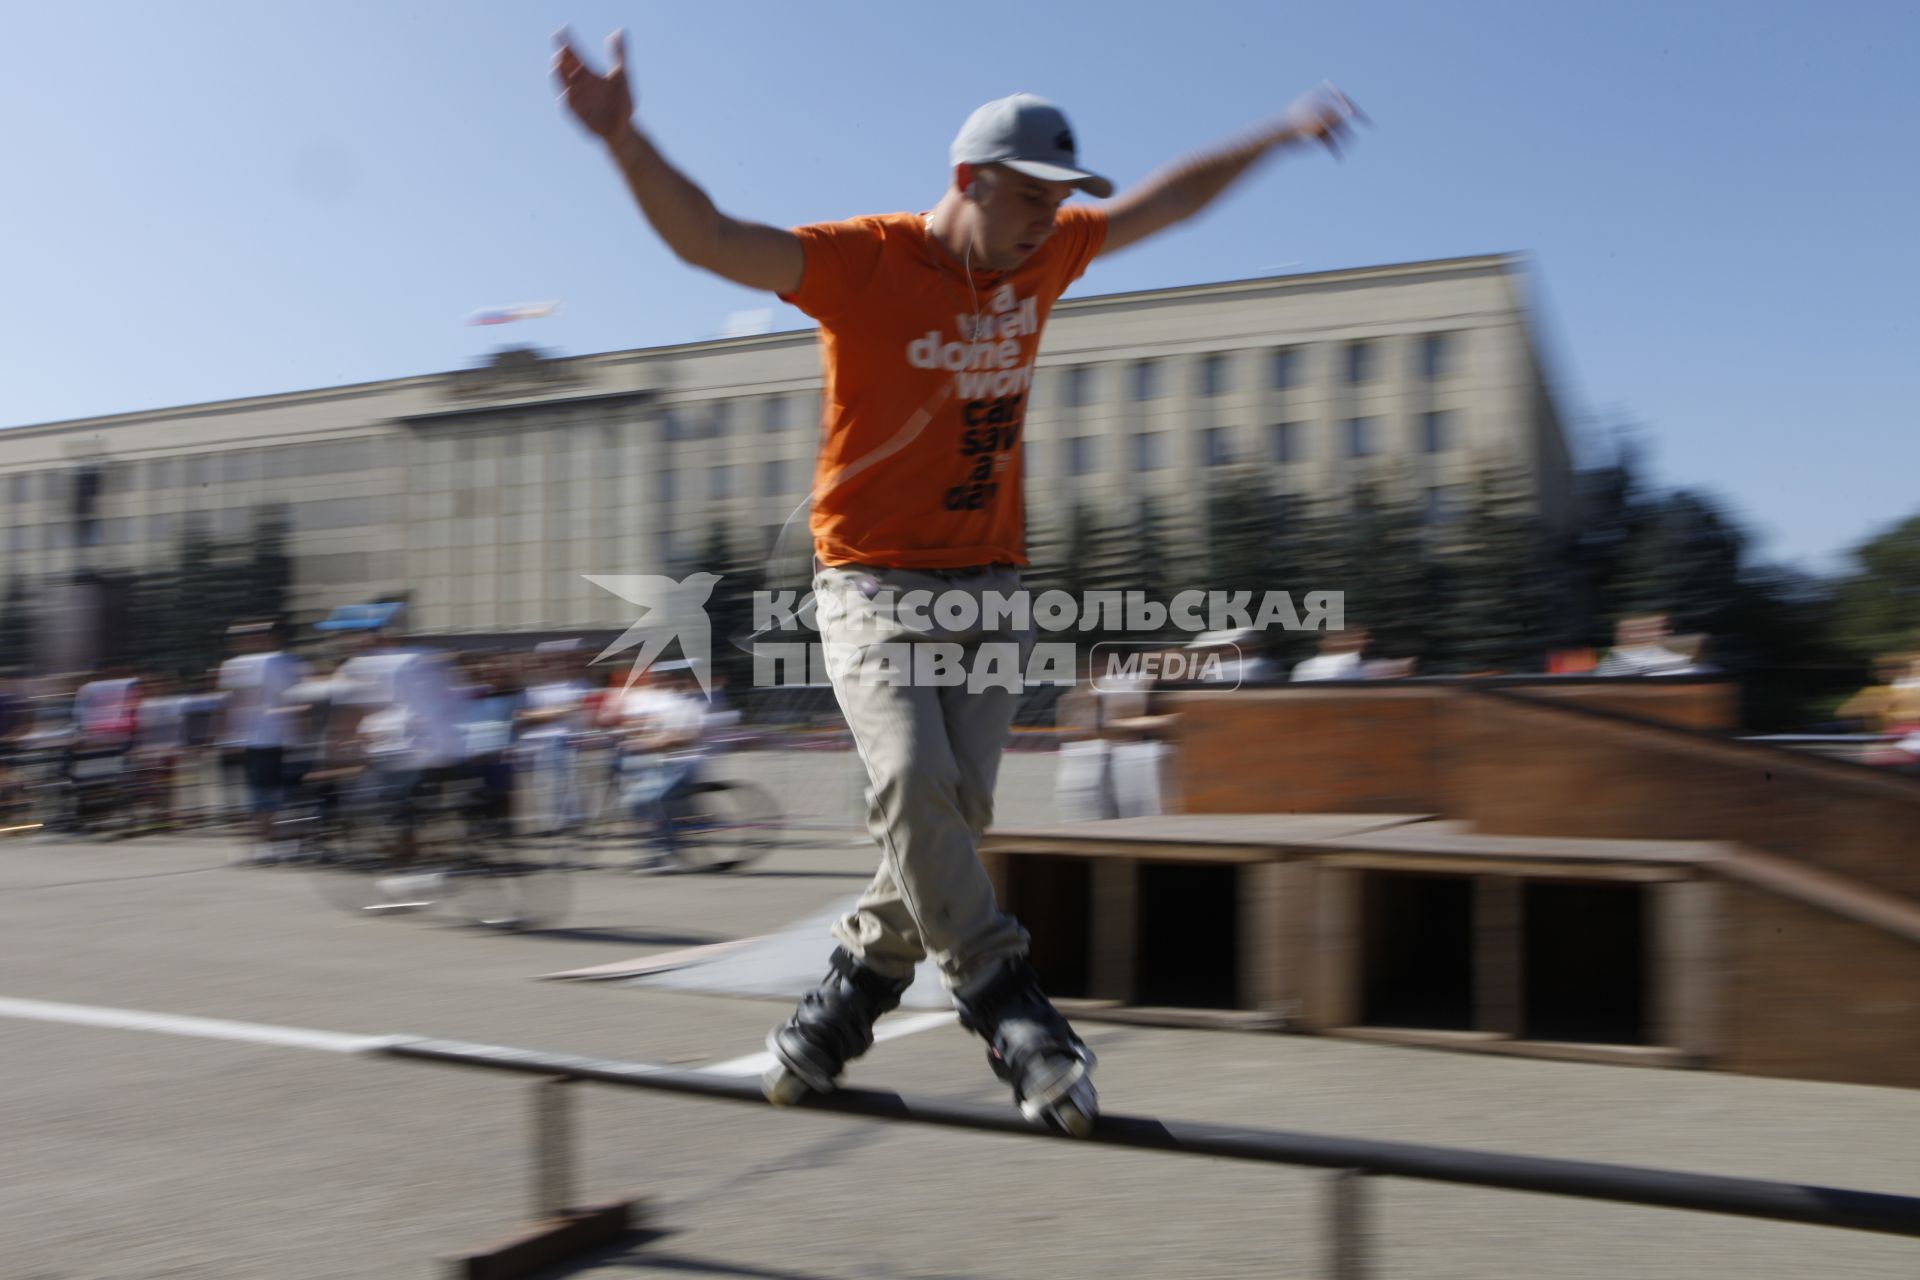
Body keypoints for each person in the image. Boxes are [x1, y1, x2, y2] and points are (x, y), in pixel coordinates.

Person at [555, 29, 1365, 1133]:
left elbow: (1169, 204)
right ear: (968, 182)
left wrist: (1276, 133)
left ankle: (842, 1006)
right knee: (908, 780)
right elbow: (710, 239)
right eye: (1031, 199)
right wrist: (623, 137)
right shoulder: (866, 261)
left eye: (1060, 202)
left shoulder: (1049, 251)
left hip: (990, 586)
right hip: (871, 582)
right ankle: (1008, 1001)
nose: (1050, 221)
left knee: (952, 812)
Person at [217, 622, 308, 864]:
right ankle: (279, 842)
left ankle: (266, 843)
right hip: (281, 736)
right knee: (281, 792)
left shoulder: (237, 665)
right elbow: (297, 695)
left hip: (257, 739)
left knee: (262, 793)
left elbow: (231, 703)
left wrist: (226, 735)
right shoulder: (286, 661)